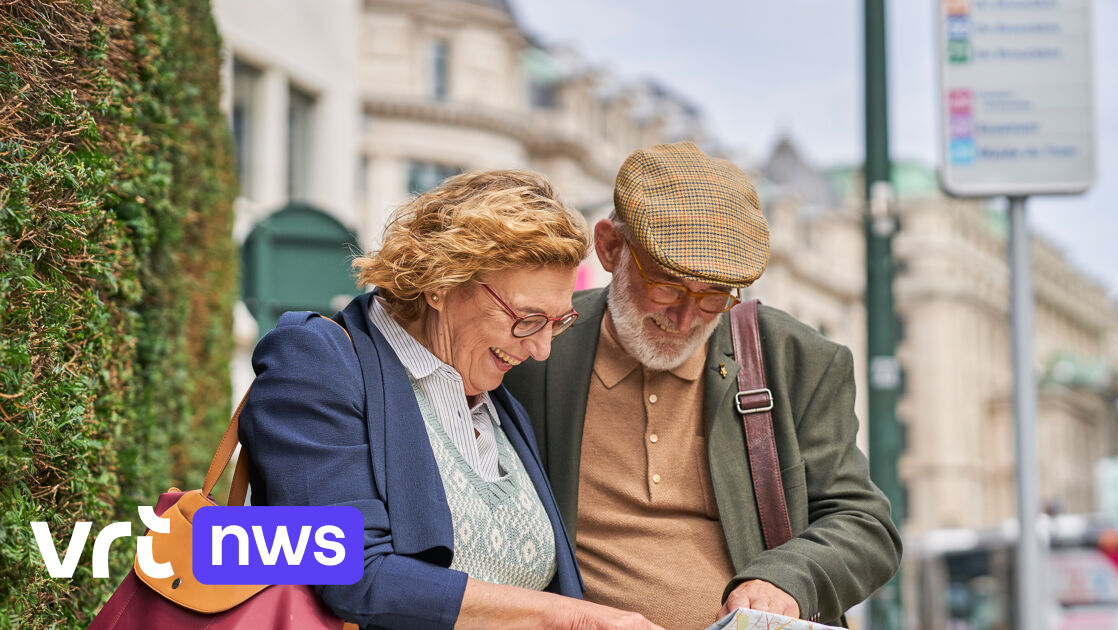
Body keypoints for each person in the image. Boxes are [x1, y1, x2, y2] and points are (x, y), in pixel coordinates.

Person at [239, 170, 664, 630]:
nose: (541, 350)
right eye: (528, 318)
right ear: (441, 281)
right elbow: (349, 572)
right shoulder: (318, 362)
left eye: (558, 321)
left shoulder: (495, 393)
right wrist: (569, 618)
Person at [504, 142, 903, 628]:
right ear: (609, 248)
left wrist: (786, 581)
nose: (686, 317)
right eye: (666, 286)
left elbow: (866, 525)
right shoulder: (534, 346)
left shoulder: (799, 360)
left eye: (714, 296)